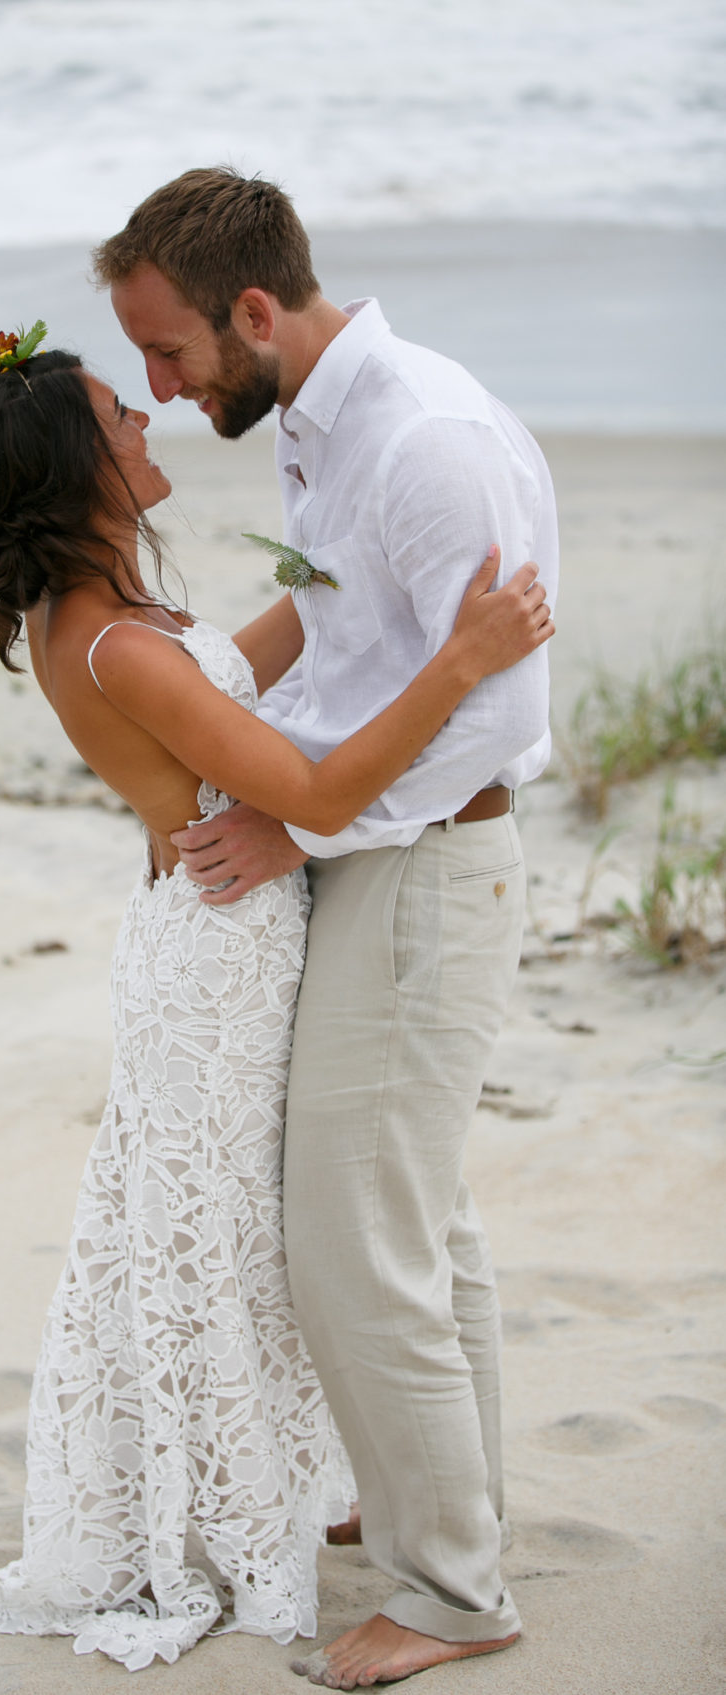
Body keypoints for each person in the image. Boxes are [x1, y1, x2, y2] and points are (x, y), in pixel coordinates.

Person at [0, 327, 553, 1673]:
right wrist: (457, 658)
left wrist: (340, 544)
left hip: (228, 933)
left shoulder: (118, 618)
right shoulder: (111, 644)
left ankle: (363, 1490)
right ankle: (261, 1503)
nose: (148, 420)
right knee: (234, 1237)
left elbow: (244, 670)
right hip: (217, 963)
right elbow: (312, 797)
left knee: (307, 1221)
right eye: (116, 412)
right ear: (75, 467)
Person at [93, 167, 560, 1689]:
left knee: (351, 1240)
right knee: (418, 1223)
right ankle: (444, 1507)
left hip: (431, 864)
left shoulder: (422, 442)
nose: (159, 391)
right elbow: (338, 624)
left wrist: (293, 816)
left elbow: (494, 704)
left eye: (168, 355)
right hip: (373, 855)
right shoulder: (311, 424)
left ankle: (449, 1594)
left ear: (249, 309)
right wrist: (214, 718)